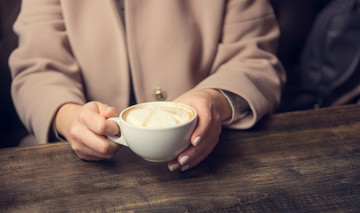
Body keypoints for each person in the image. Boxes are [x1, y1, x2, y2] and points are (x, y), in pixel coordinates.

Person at [9, 0, 286, 172]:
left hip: (211, 157)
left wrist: (213, 99)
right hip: (83, 167)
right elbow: (37, 67)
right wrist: (70, 119)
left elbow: (256, 58)